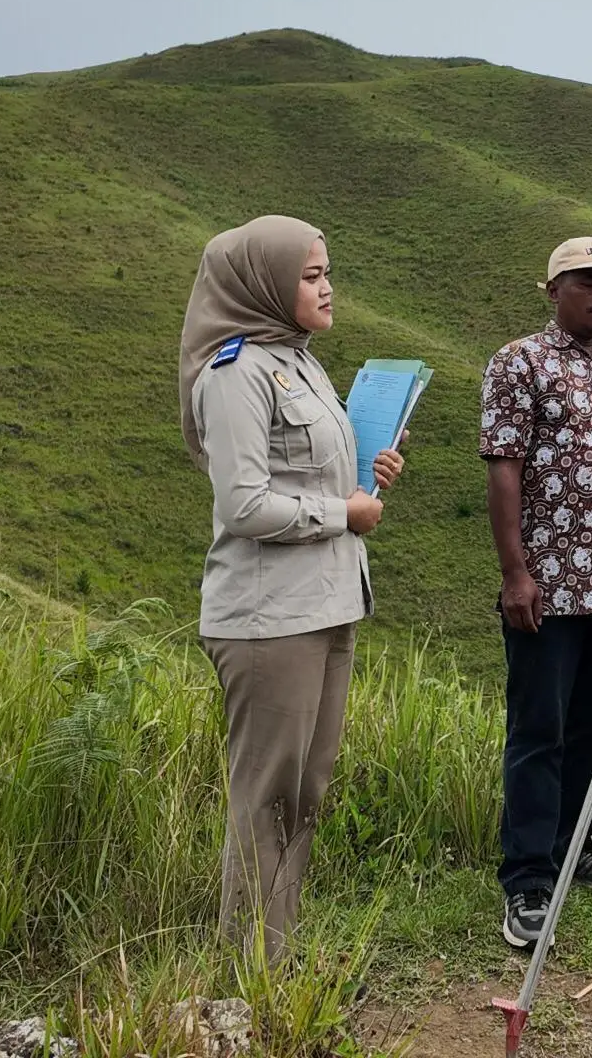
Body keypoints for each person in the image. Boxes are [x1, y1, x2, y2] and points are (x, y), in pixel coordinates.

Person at [180, 214, 404, 959]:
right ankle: (249, 975)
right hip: (269, 619)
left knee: (303, 796)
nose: (327, 288)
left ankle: (275, 960)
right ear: (266, 282)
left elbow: (302, 475)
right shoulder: (234, 372)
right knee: (265, 801)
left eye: (326, 272)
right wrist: (343, 509)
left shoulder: (299, 363)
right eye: (310, 276)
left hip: (327, 604)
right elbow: (242, 505)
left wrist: (366, 476)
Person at [480, 237, 592, 950]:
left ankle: (579, 845)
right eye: (589, 282)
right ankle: (526, 880)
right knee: (538, 732)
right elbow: (504, 469)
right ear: (553, 289)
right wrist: (515, 573)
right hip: (549, 589)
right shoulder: (519, 362)